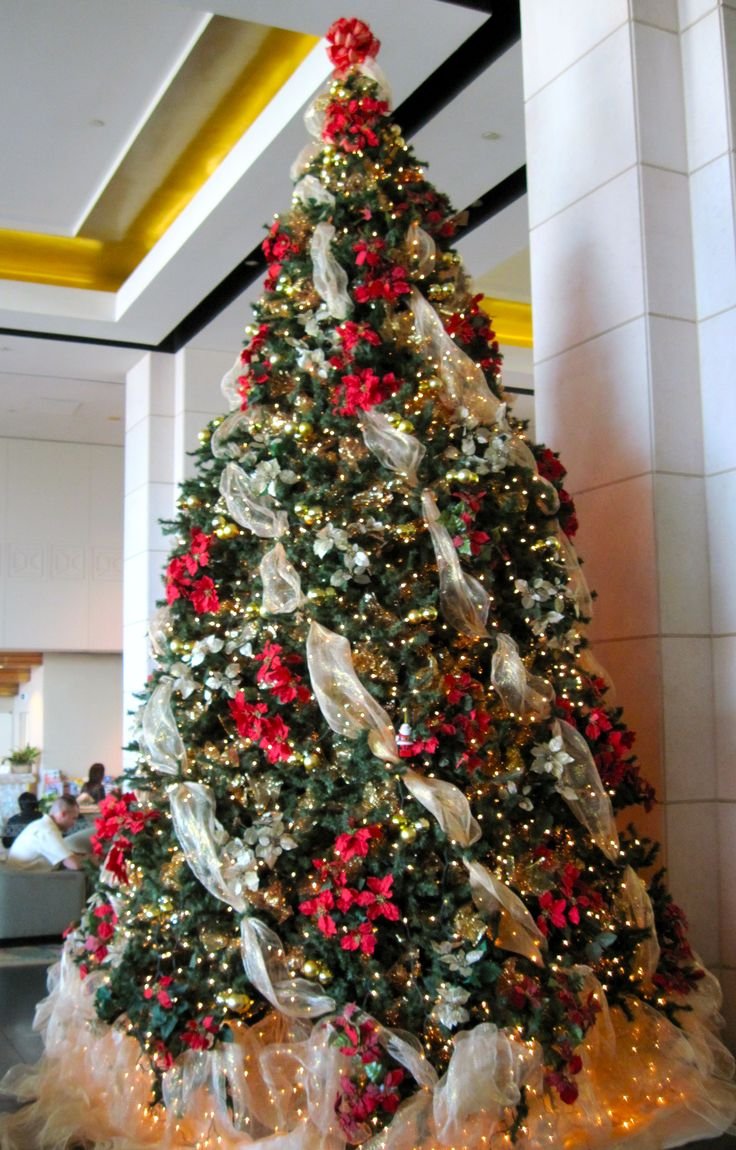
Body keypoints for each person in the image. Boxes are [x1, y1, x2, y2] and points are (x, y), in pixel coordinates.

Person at [6, 795, 85, 871]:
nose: (74, 823)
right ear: (63, 814)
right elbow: (74, 864)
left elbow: (65, 855)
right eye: (73, 818)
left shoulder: (44, 824)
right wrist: (93, 861)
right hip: (25, 880)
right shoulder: (47, 831)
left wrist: (81, 857)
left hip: (26, 877)